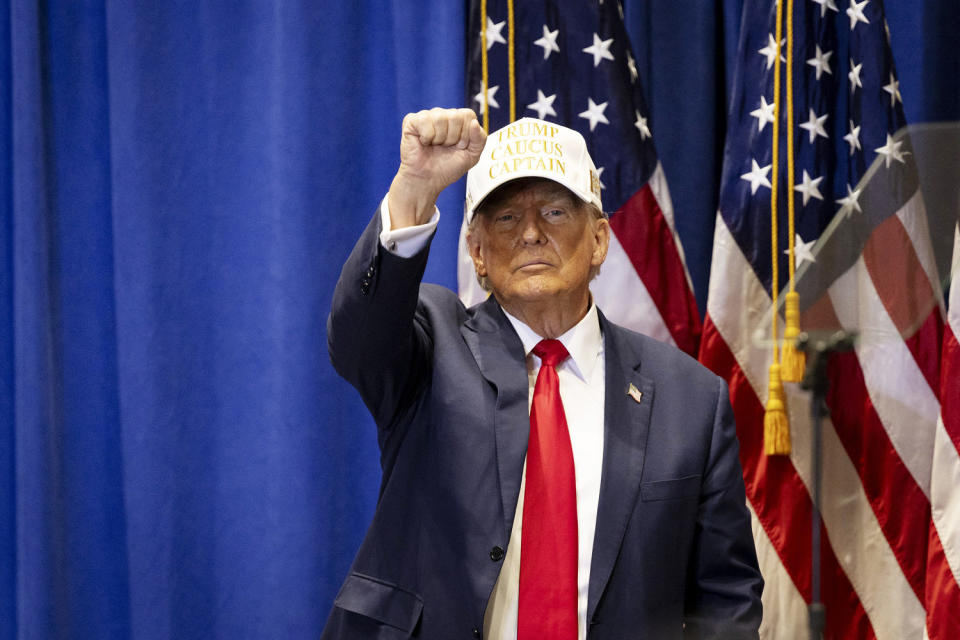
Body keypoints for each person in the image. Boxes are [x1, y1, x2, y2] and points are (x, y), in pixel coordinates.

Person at [323, 107, 762, 639]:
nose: (530, 233)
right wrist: (414, 188)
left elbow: (726, 601)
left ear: (599, 239)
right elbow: (358, 340)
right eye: (506, 218)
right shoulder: (431, 345)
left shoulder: (690, 398)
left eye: (554, 212)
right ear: (477, 254)